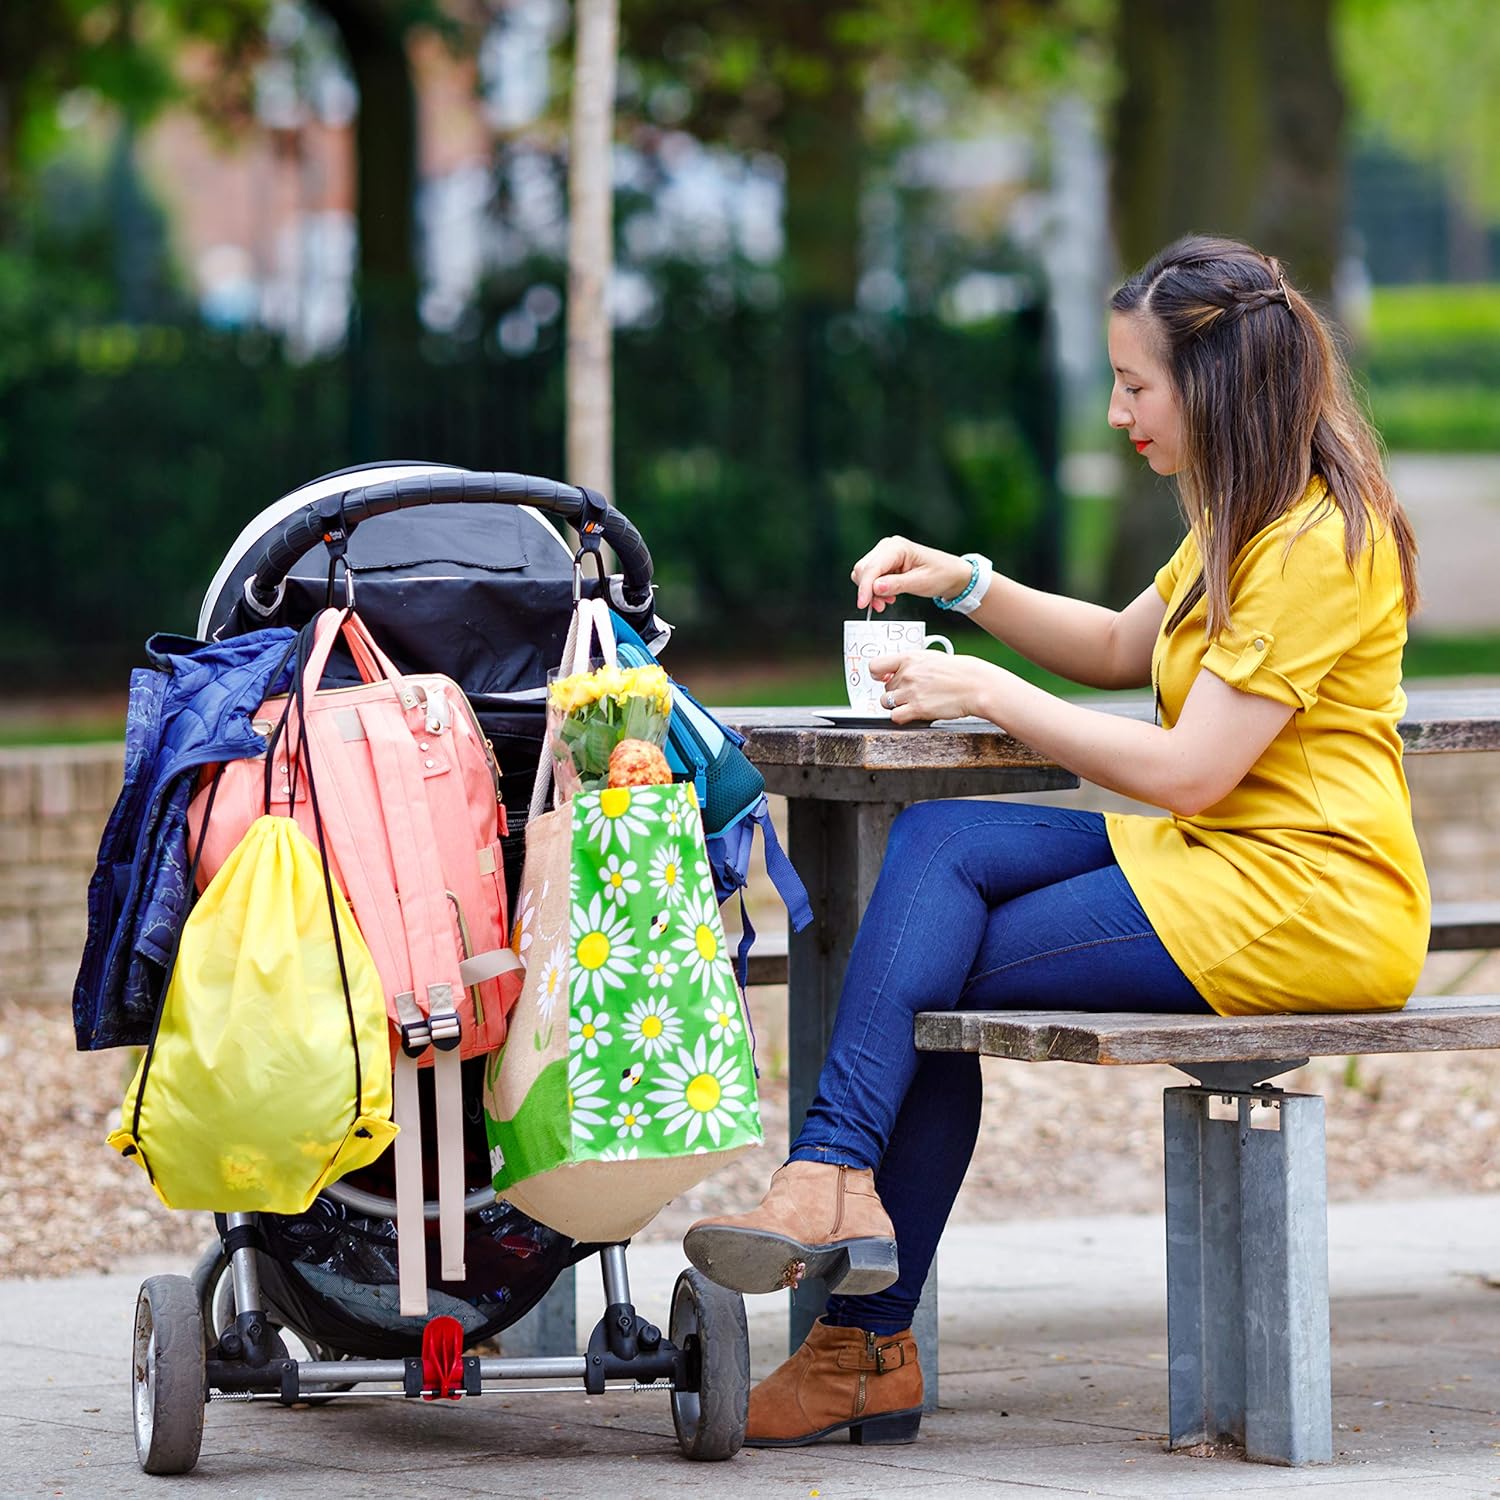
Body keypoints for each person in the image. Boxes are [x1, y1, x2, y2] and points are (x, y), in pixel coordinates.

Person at [682, 234, 1431, 1448]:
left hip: (1310, 903)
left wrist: (988, 691)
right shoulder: (1246, 515)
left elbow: (1191, 771)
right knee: (939, 850)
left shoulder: (1316, 544)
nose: (1118, 411)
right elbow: (1121, 646)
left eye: (1136, 385)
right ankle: (831, 1195)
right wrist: (964, 584)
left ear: (1214, 386)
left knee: (920, 970)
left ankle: (856, 1330)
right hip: (1226, 869)